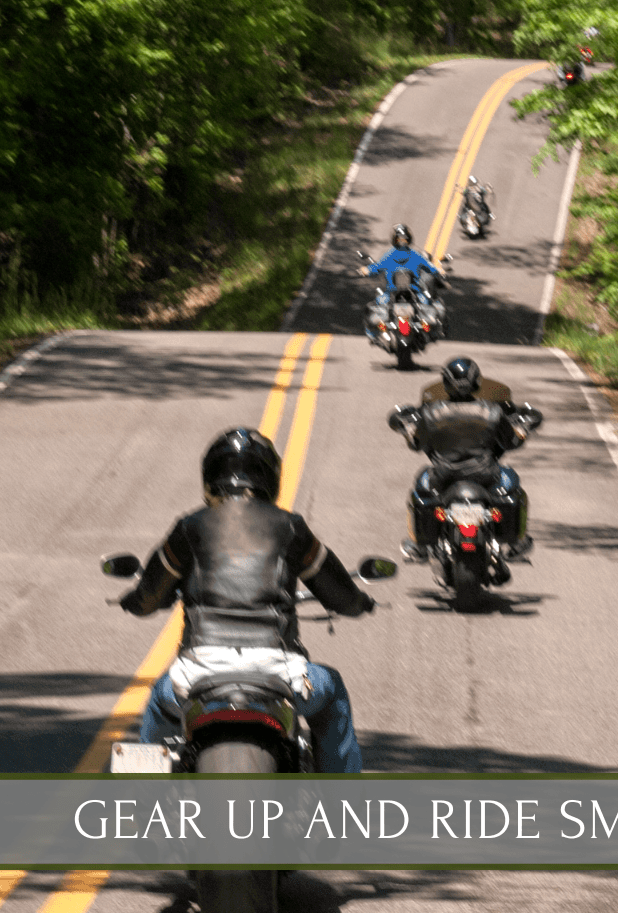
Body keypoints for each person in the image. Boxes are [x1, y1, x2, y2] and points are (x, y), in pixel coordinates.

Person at [120, 429, 377, 774]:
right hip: (278, 668)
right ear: (270, 479)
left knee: (157, 703)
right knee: (332, 694)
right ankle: (343, 813)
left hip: (199, 670)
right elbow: (340, 595)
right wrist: (361, 603)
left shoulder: (189, 527)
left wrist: (133, 601)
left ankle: (141, 811)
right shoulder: (291, 527)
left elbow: (149, 596)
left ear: (211, 478)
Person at [390, 357, 542, 562]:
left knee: (421, 482)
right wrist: (523, 430)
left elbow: (416, 444)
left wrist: (408, 430)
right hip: (486, 475)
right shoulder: (493, 411)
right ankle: (517, 542)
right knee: (511, 478)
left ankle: (419, 544)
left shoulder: (431, 413)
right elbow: (510, 442)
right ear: (477, 382)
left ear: (446, 383)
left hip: (443, 476)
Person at [361, 224, 449, 339]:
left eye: (403, 239)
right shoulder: (414, 255)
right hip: (410, 293)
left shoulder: (391, 255)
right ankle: (434, 333)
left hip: (398, 293)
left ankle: (372, 335)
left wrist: (366, 270)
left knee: (374, 307)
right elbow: (431, 269)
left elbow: (376, 268)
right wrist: (439, 272)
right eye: (400, 239)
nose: (402, 241)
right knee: (431, 305)